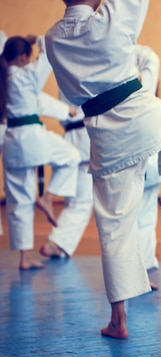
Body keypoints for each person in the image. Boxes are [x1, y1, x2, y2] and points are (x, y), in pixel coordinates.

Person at [46, 0, 161, 339]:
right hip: (141, 113)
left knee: (113, 230)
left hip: (102, 134)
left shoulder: (53, 38)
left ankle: (117, 320)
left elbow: (68, 91)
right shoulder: (110, 16)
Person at [0, 35, 81, 270]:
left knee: (19, 203)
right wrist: (36, 40)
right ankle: (47, 197)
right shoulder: (27, 76)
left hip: (13, 142)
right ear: (24, 57)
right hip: (34, 138)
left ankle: (24, 258)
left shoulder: (3, 77)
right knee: (71, 156)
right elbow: (48, 54)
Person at [38, 91, 92, 259]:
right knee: (84, 201)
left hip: (71, 134)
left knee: (77, 200)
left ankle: (56, 243)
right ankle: (56, 243)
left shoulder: (65, 64)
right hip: (88, 132)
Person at [135, 44, 161, 272]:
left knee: (134, 219)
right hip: (152, 168)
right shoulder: (159, 107)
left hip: (137, 167)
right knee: (146, 218)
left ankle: (141, 264)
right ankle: (144, 263)